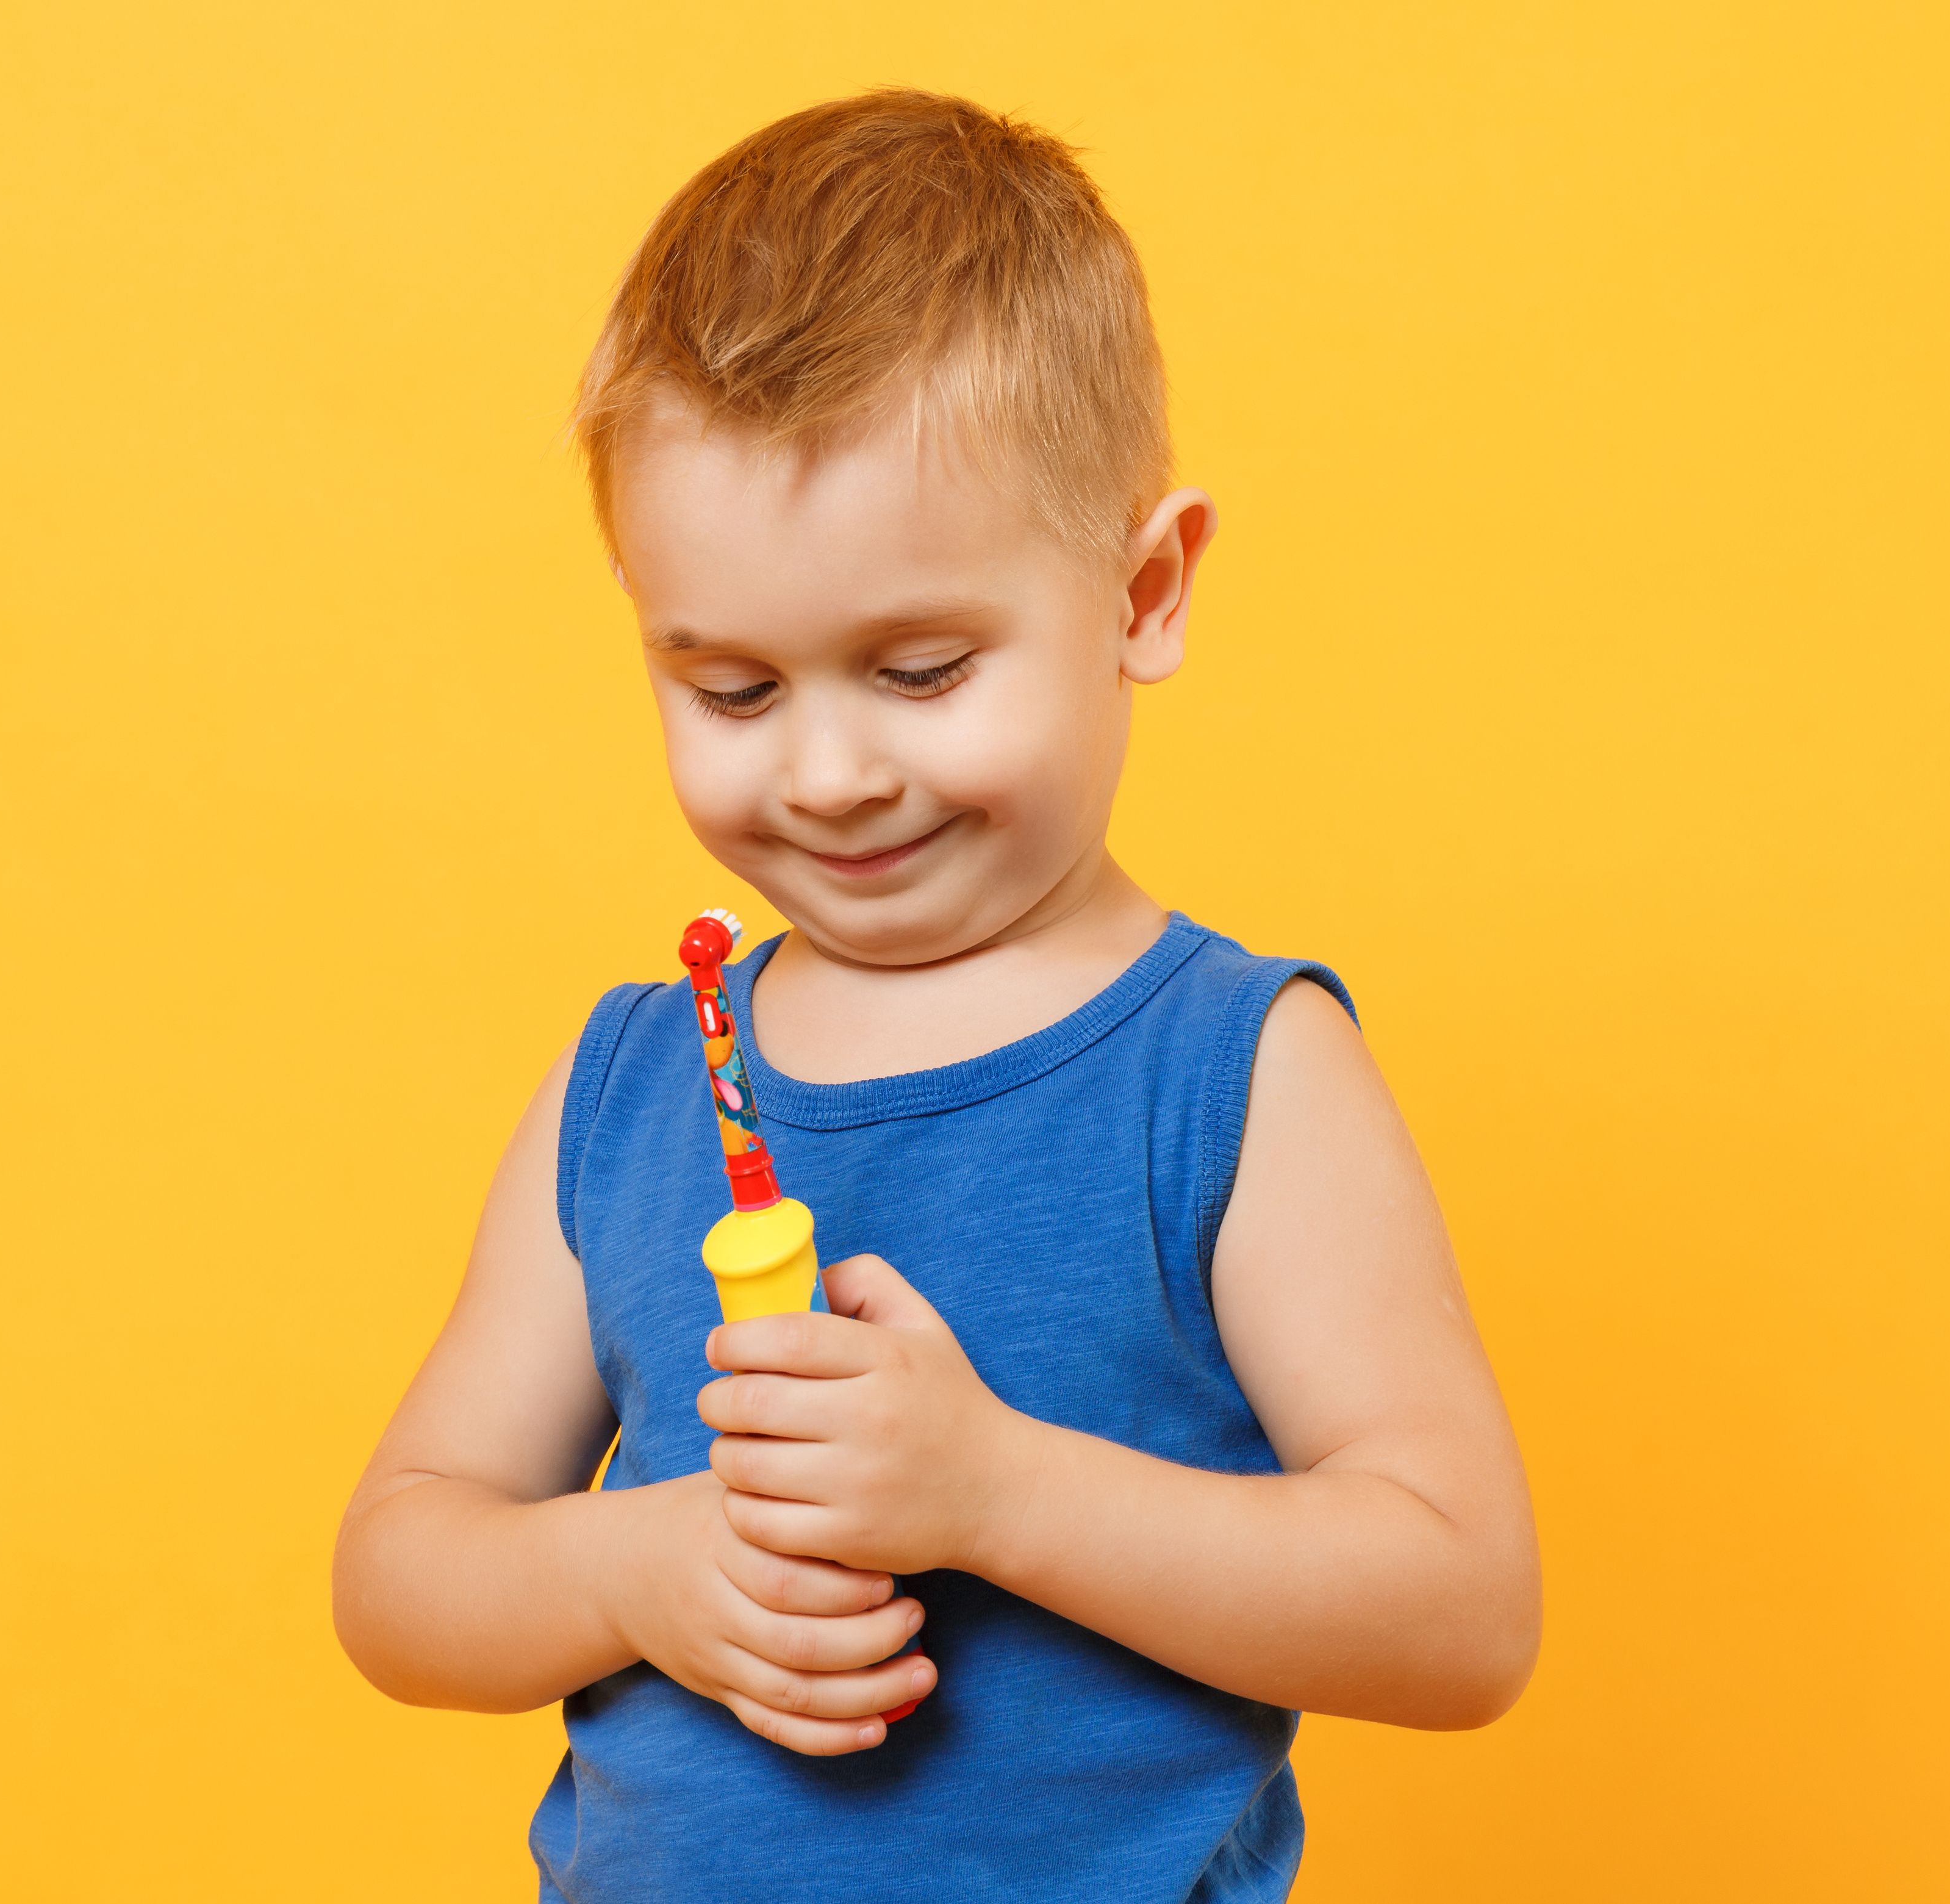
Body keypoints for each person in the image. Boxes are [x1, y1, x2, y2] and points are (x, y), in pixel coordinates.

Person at [331, 89, 1539, 1902]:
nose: (822, 772)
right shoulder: (642, 1082)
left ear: (1139, 592)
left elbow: (1458, 1610)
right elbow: (400, 1569)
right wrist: (636, 1568)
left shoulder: (1236, 1073)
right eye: (731, 689)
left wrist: (994, 1495)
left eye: (914, 668)